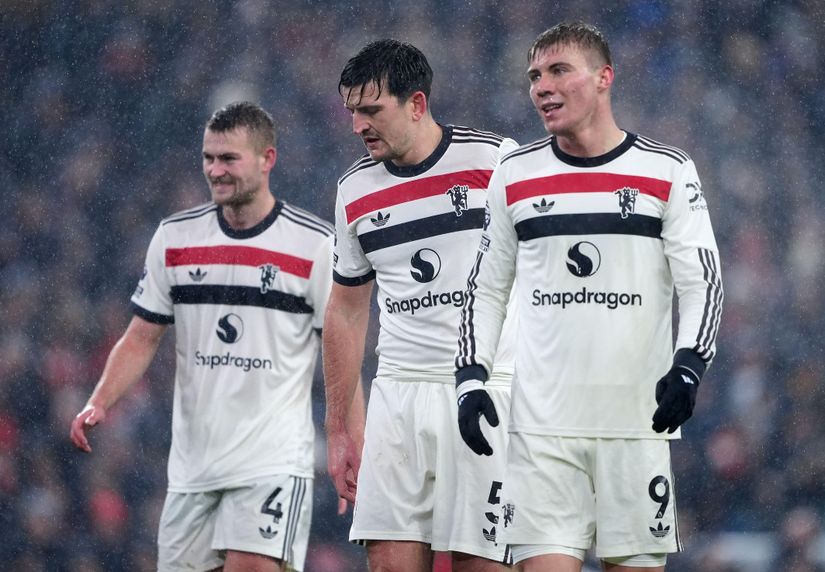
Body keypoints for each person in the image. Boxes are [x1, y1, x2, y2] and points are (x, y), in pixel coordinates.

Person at [454, 22, 723, 572]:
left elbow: (703, 282)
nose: (542, 87)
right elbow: (485, 288)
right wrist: (471, 377)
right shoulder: (514, 173)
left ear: (604, 78)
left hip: (634, 425)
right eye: (534, 76)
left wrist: (690, 364)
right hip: (541, 431)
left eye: (558, 71)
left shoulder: (666, 170)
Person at [69, 101, 355, 572]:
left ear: (268, 160)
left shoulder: (314, 245)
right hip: (193, 470)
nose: (215, 170)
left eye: (229, 159)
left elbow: (341, 356)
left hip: (272, 461)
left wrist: (347, 443)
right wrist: (99, 400)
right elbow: (141, 337)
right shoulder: (175, 238)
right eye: (209, 158)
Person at [323, 39, 518, 571]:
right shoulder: (354, 190)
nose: (358, 125)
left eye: (370, 109)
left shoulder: (497, 161)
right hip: (398, 396)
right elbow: (345, 310)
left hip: (486, 389)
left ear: (416, 103)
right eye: (352, 112)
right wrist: (340, 428)